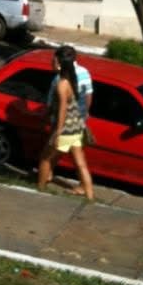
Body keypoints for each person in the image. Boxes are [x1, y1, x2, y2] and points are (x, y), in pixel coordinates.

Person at [37, 45, 94, 200]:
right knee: (81, 163)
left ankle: (40, 190)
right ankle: (90, 197)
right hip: (76, 126)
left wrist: (57, 131)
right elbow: (87, 98)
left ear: (60, 63)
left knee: (45, 158)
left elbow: (61, 109)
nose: (51, 62)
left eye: (54, 60)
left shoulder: (61, 83)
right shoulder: (76, 76)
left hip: (65, 128)